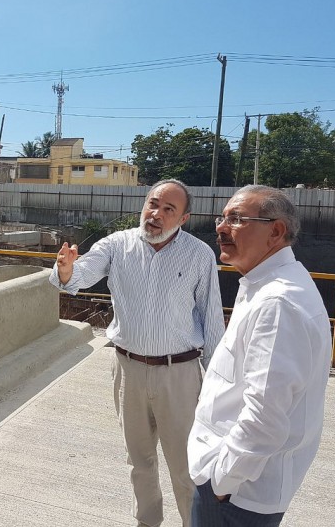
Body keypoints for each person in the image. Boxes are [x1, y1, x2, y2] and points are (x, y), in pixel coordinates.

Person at [50, 179, 225, 527]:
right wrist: (67, 270)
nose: (156, 214)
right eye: (153, 204)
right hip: (127, 369)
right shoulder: (117, 245)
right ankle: (147, 521)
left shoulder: (199, 255)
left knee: (186, 465)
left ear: (184, 218)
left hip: (180, 373)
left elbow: (211, 319)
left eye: (168, 209)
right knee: (139, 460)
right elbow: (78, 275)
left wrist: (216, 385)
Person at [187, 185, 331, 527]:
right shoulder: (265, 283)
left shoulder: (276, 303)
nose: (222, 227)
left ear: (276, 231)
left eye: (236, 219)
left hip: (239, 493)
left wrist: (222, 481)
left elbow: (265, 417)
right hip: (237, 480)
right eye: (222, 218)